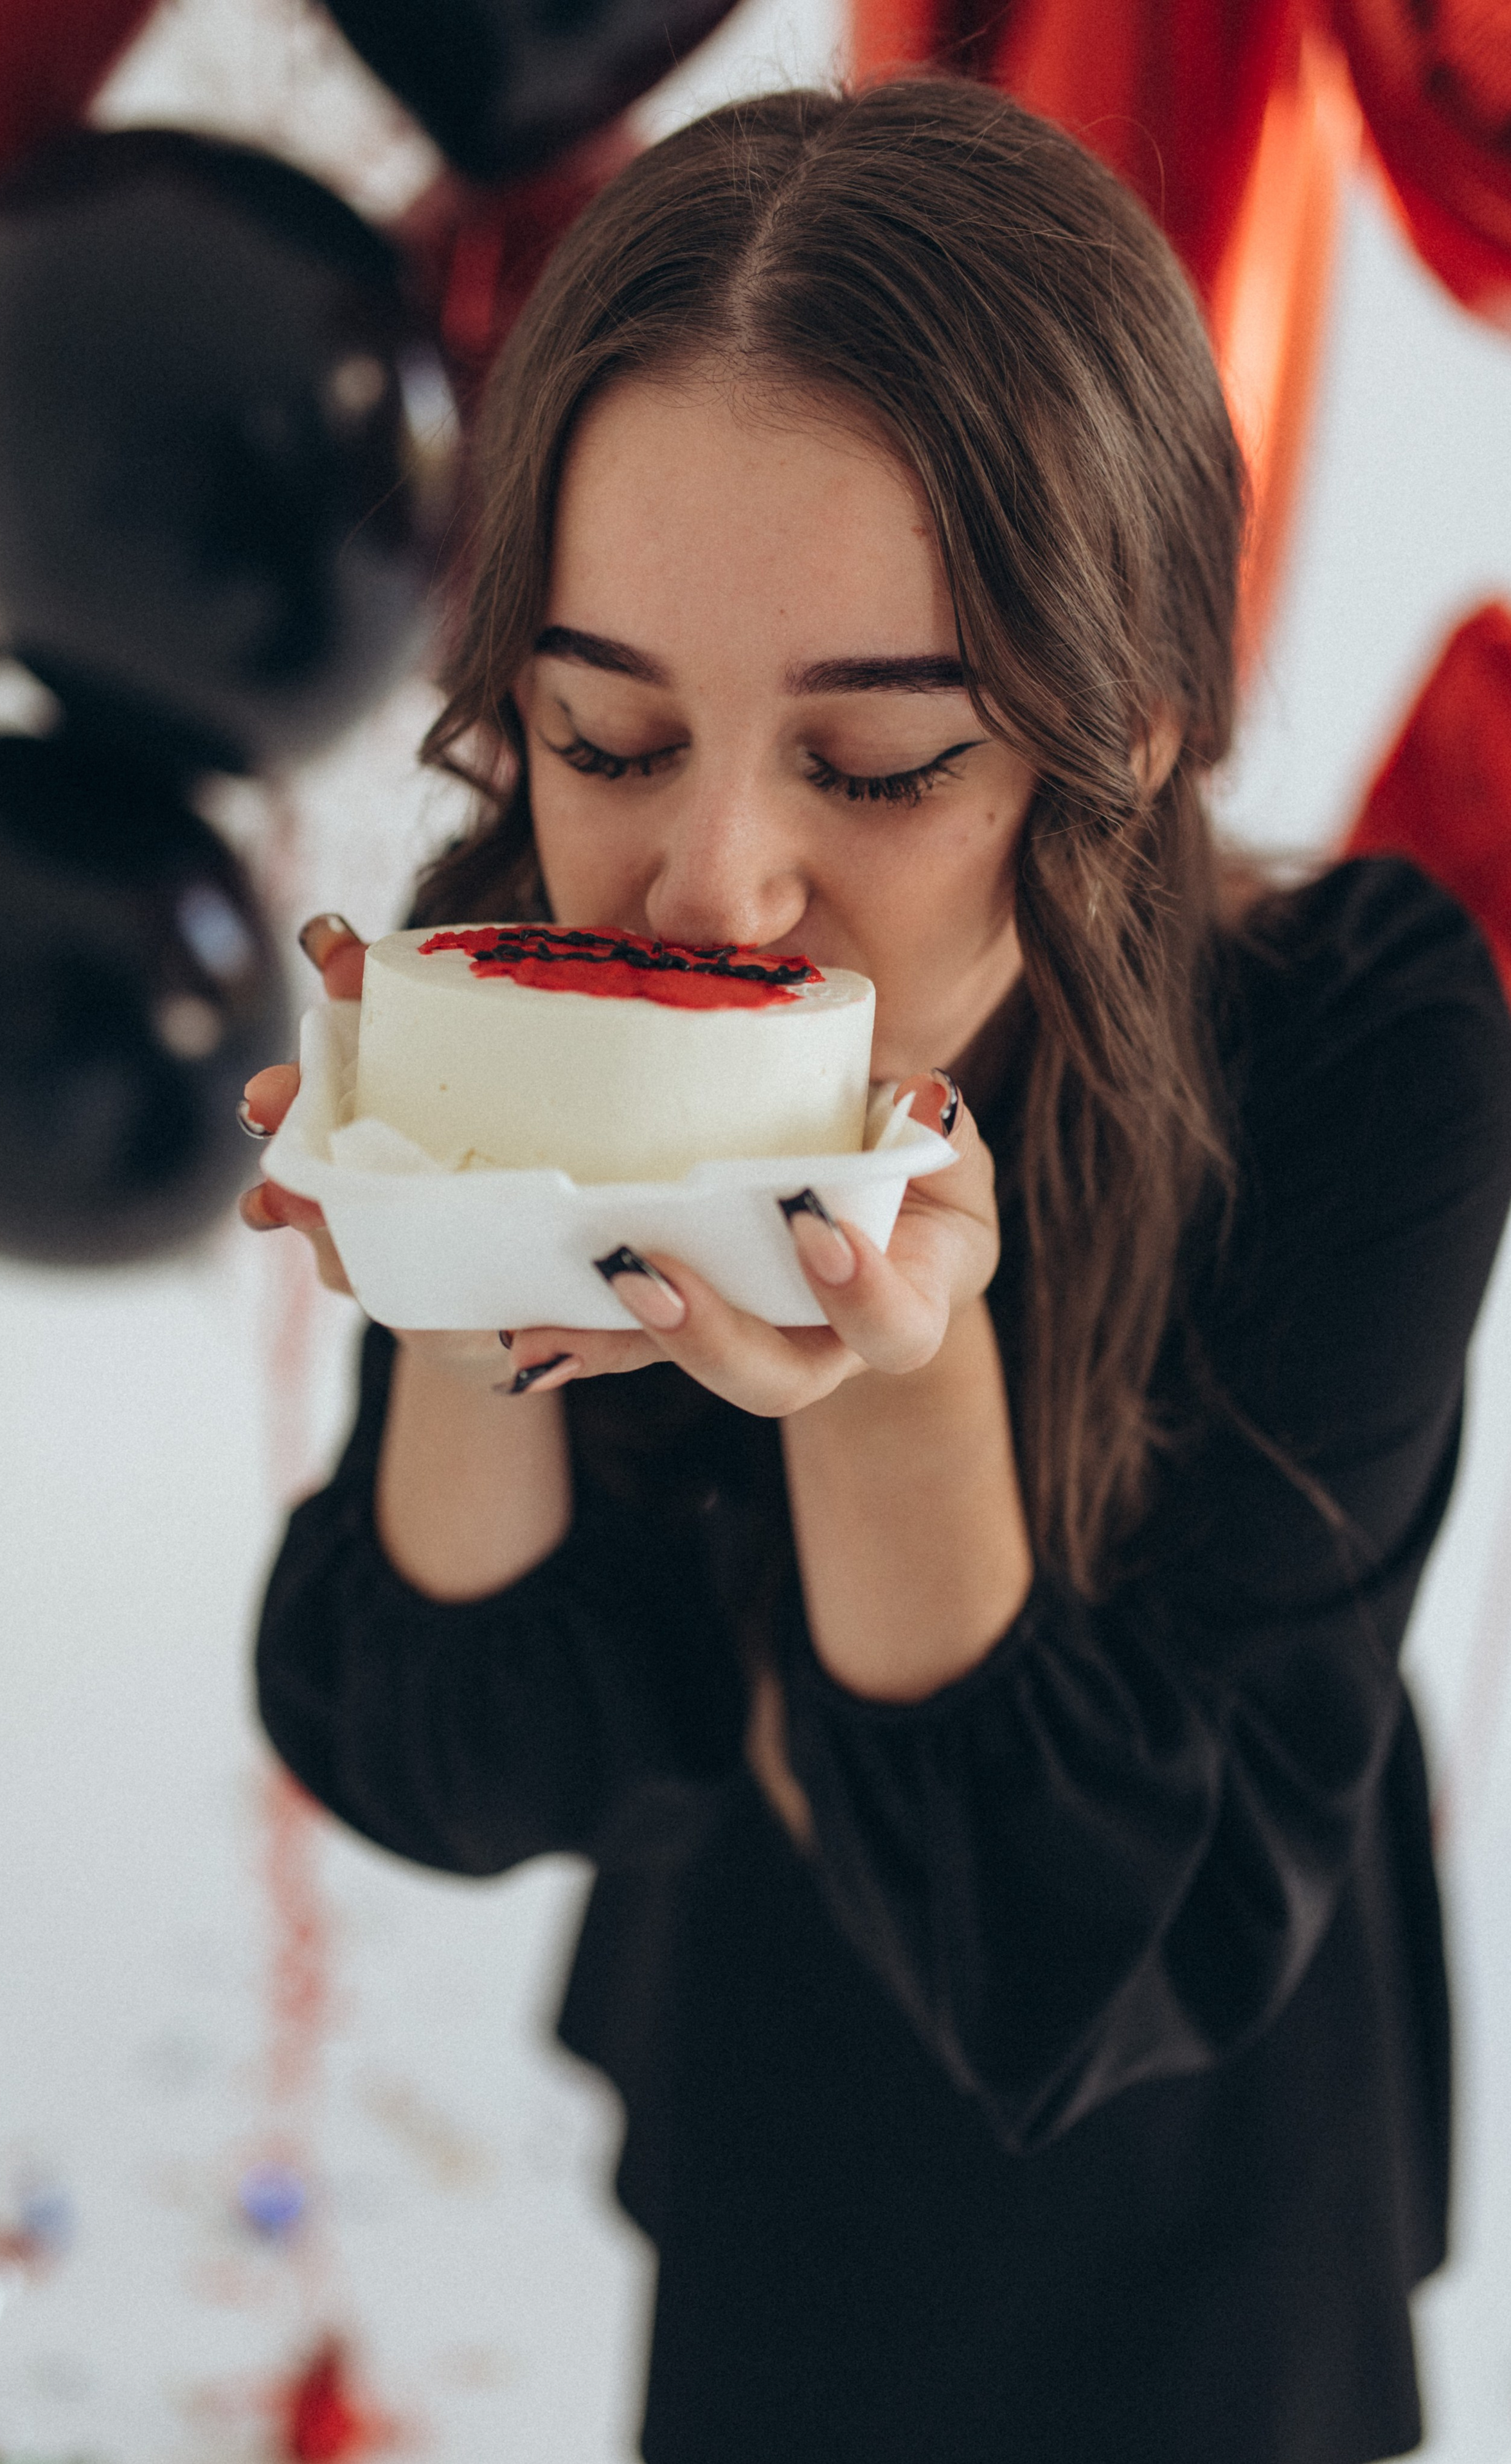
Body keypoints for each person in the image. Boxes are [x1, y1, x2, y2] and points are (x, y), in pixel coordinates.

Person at [242, 79, 1511, 2464]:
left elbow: (1076, 1967)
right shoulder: (500, 948)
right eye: (610, 731)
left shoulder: (1370, 1044)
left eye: (884, 766)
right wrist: (439, 1247)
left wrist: (886, 1379)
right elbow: (479, 1759)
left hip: (1204, 2149)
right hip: (774, 2081)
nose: (711, 888)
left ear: (1114, 734)